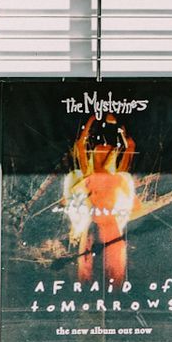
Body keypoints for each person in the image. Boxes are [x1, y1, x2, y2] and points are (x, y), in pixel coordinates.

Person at [65, 114, 138, 286]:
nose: (103, 153)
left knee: (94, 268)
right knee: (105, 270)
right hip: (104, 224)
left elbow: (81, 144)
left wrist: (93, 120)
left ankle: (95, 297)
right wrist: (119, 128)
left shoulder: (91, 176)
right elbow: (130, 146)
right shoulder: (112, 177)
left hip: (98, 224)